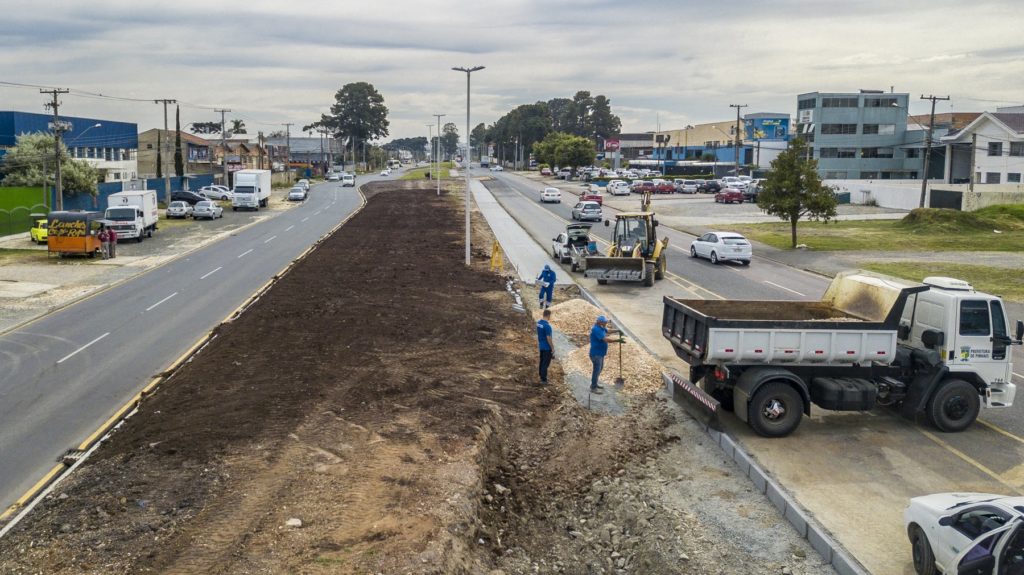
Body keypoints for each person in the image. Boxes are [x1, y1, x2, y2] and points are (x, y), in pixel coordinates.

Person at [589, 315, 619, 394]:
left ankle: (595, 383)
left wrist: (617, 330)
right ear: (599, 322)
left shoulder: (601, 327)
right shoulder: (596, 329)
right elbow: (606, 339)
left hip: (600, 353)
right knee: (596, 370)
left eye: (606, 322)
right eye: (604, 322)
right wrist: (617, 340)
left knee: (600, 368)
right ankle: (593, 387)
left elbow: (608, 331)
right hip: (596, 354)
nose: (606, 323)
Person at [537, 309, 554, 385]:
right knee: (545, 363)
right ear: (548, 315)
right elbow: (548, 338)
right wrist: (552, 348)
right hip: (547, 347)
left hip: (541, 346)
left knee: (542, 361)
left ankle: (541, 375)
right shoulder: (547, 326)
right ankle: (543, 379)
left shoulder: (539, 323)